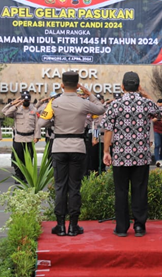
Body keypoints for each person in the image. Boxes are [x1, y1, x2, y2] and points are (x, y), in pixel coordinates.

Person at [39, 71, 105, 237]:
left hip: (59, 147)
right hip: (78, 147)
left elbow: (42, 122)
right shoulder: (84, 103)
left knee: (60, 186)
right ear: (78, 85)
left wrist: (54, 121)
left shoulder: (54, 102)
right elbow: (101, 109)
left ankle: (60, 225)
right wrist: (90, 94)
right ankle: (74, 225)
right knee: (75, 186)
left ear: (62, 85)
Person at [102, 72, 161, 237]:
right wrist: (145, 94)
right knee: (140, 190)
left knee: (120, 191)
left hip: (120, 156)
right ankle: (139, 226)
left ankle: (121, 228)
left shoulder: (115, 105)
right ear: (138, 86)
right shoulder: (146, 104)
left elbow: (108, 129)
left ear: (122, 87)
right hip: (141, 156)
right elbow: (160, 112)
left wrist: (106, 151)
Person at [3, 93, 41, 183]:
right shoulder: (16, 109)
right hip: (19, 138)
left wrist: (37, 136)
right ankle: (19, 176)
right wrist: (14, 104)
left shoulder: (34, 110)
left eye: (27, 100)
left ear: (30, 101)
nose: (26, 102)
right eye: (24, 100)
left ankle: (26, 176)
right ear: (21, 100)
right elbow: (5, 112)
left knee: (28, 158)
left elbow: (37, 125)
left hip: (29, 138)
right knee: (18, 158)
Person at [152, 98, 162, 167]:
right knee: (157, 145)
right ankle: (157, 160)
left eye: (161, 106)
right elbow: (150, 120)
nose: (159, 108)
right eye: (158, 106)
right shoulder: (154, 111)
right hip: (156, 130)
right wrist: (153, 120)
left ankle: (161, 159)